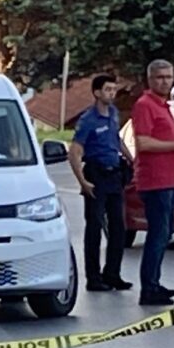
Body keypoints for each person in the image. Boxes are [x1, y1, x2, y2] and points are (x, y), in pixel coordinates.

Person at [127, 58, 174, 307]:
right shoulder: (145, 105)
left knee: (165, 233)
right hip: (155, 182)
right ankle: (149, 288)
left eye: (168, 77)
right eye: (160, 77)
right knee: (158, 234)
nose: (165, 81)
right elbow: (143, 143)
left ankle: (154, 282)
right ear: (150, 79)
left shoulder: (164, 106)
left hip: (169, 180)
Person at [68, 74, 132, 292]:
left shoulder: (113, 114)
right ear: (96, 93)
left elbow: (117, 139)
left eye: (113, 89)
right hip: (96, 175)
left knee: (118, 228)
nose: (112, 94)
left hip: (114, 174)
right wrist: (83, 182)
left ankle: (113, 274)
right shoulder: (88, 120)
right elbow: (75, 151)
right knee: (94, 228)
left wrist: (131, 160)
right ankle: (93, 279)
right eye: (107, 90)